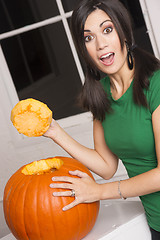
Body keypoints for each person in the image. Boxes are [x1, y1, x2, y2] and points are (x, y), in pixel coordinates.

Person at [44, 0, 160, 239]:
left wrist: (98, 192)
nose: (100, 44)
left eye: (107, 30)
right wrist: (56, 132)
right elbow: (107, 166)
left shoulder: (156, 83)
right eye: (88, 38)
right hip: (155, 220)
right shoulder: (101, 94)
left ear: (124, 32)